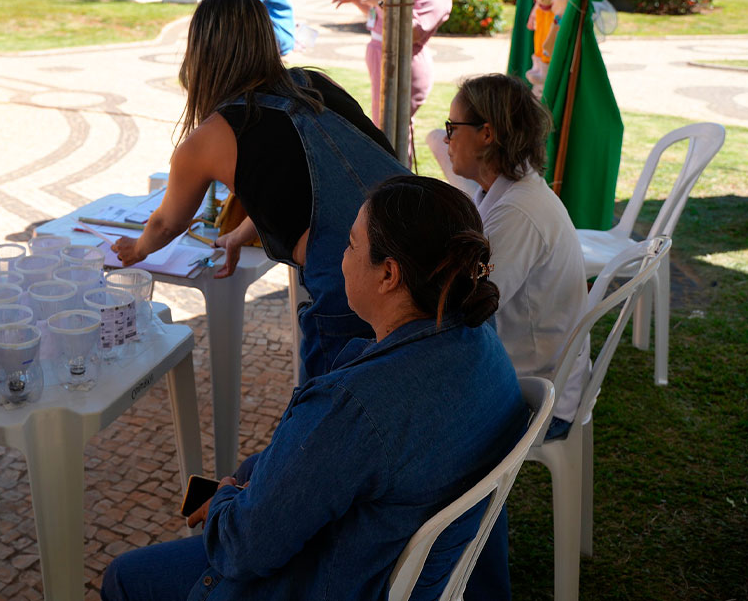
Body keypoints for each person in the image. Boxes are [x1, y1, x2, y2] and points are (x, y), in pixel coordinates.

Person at [101, 175, 529, 601]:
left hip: (337, 579)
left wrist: (223, 503)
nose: (340, 259)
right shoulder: (481, 342)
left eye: (350, 244)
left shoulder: (355, 406)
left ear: (388, 274)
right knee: (254, 472)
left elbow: (244, 549)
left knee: (123, 578)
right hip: (398, 556)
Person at [112, 0, 405, 382]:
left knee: (330, 414)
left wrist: (136, 249)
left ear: (200, 55)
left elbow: (167, 223)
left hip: (354, 289)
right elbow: (309, 186)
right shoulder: (313, 85)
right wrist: (241, 232)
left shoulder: (211, 138)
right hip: (413, 257)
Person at [444, 73, 588, 441]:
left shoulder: (518, 212)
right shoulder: (510, 194)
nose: (446, 139)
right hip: (532, 373)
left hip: (536, 396)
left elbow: (467, 309)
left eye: (452, 127)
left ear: (487, 134)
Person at [332, 0, 453, 157]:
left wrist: (381, 1)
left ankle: (398, 184)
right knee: (385, 130)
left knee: (393, 134)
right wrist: (364, 2)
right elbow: (384, 20)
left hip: (404, 65)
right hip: (387, 60)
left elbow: (414, 30)